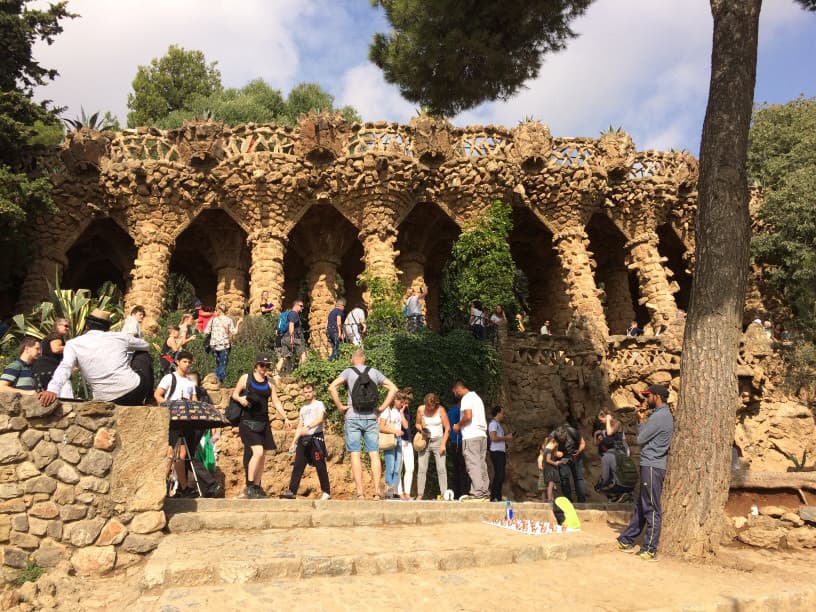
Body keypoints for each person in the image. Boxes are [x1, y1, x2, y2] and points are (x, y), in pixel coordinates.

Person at [39, 309, 153, 406]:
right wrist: (124, 347)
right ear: (107, 327)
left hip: (105, 398)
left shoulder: (73, 344)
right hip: (134, 391)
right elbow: (146, 346)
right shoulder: (119, 337)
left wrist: (52, 390)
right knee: (142, 354)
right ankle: (150, 397)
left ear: (87, 325)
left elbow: (65, 368)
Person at [328, 348, 398, 499]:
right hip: (372, 417)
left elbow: (331, 387)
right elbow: (393, 388)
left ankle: (360, 493)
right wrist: (381, 408)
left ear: (353, 360)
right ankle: (377, 492)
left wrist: (340, 407)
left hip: (352, 416)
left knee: (355, 453)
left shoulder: (348, 372)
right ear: (364, 359)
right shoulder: (374, 372)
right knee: (373, 453)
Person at [617, 384, 674, 561]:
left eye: (647, 396)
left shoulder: (661, 417)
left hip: (652, 466)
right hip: (649, 465)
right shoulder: (659, 415)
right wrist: (642, 419)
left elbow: (640, 439)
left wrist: (641, 421)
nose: (645, 400)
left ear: (656, 397)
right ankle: (627, 539)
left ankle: (650, 548)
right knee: (642, 505)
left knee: (651, 507)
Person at [231, 353, 291, 499]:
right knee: (257, 452)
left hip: (263, 422)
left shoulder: (270, 383)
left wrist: (285, 417)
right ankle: (249, 486)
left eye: (267, 366)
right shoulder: (246, 378)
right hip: (247, 421)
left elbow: (276, 402)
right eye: (262, 365)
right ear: (256, 366)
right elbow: (234, 394)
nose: (264, 368)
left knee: (262, 455)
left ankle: (257, 487)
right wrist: (241, 399)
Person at [155, 350, 198, 497]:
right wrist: (168, 407)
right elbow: (157, 394)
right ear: (178, 362)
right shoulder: (169, 378)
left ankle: (162, 486)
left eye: (189, 362)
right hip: (171, 420)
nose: (186, 364)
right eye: (184, 361)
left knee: (172, 454)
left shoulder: (190, 383)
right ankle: (183, 487)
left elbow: (194, 401)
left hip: (185, 421)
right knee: (177, 453)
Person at [281, 384, 330, 500]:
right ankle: (292, 491)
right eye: (306, 392)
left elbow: (320, 419)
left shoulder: (319, 404)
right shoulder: (303, 409)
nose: (308, 394)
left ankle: (326, 492)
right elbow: (299, 426)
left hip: (316, 439)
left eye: (310, 391)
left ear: (314, 392)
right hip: (303, 440)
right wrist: (294, 442)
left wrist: (308, 427)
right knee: (298, 465)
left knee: (320, 465)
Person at [451, 380, 489, 501]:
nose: (454, 394)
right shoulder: (477, 398)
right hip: (482, 435)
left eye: (454, 392)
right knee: (481, 463)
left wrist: (458, 425)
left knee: (473, 464)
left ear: (457, 389)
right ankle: (484, 491)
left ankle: (478, 493)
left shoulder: (466, 398)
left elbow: (468, 416)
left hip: (471, 435)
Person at [415, 393, 450, 500]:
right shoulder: (421, 409)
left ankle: (444, 494)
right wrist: (422, 430)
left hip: (438, 441)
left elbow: (447, 428)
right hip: (425, 441)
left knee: (441, 468)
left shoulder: (441, 410)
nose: (430, 409)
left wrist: (443, 444)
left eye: (432, 406)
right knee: (421, 468)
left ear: (436, 404)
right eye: (428, 406)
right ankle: (420, 494)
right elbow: (417, 423)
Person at [31, 318, 73, 398]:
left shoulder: (46, 338)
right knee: (66, 400)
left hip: (41, 372)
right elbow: (56, 349)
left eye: (69, 327)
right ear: (58, 325)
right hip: (53, 372)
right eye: (66, 326)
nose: (68, 329)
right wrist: (72, 346)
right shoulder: (56, 336)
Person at [379, 392, 407, 499]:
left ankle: (393, 490)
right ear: (394, 400)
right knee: (390, 467)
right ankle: (389, 492)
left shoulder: (397, 411)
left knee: (397, 468)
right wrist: (395, 431)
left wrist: (401, 412)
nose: (402, 403)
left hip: (398, 440)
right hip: (390, 439)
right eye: (400, 401)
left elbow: (405, 426)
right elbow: (380, 427)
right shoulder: (387, 410)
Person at [552, 424, 587, 503]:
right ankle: (568, 500)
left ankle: (581, 499)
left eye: (564, 440)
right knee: (564, 478)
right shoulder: (553, 435)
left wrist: (578, 451)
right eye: (560, 441)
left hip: (575, 456)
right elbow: (548, 448)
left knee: (578, 478)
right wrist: (555, 453)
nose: (562, 442)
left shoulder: (572, 432)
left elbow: (583, 443)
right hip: (563, 458)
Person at [594, 437, 635, 503]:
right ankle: (625, 495)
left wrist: (599, 484)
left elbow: (605, 477)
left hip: (620, 486)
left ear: (603, 447)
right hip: (632, 485)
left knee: (598, 487)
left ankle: (617, 495)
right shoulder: (622, 452)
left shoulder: (606, 457)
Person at [205, 304, 237, 383]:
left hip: (214, 345)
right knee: (223, 364)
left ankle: (215, 379)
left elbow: (206, 331)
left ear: (219, 310)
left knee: (218, 364)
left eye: (216, 310)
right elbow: (234, 332)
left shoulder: (212, 320)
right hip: (224, 345)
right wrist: (239, 323)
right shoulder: (229, 320)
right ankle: (219, 381)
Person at [488, 406, 512, 502]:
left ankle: (497, 496)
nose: (503, 415)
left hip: (500, 451)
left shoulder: (498, 424)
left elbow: (497, 438)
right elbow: (493, 438)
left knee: (501, 475)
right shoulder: (493, 424)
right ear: (497, 413)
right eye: (502, 413)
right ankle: (494, 497)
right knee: (499, 475)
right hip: (496, 452)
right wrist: (506, 437)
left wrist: (504, 444)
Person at [447, 402, 471, 499]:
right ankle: (464, 492)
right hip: (460, 442)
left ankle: (456, 493)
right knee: (463, 469)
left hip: (453, 442)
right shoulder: (460, 411)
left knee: (456, 469)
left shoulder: (449, 412)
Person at [276, 300, 306, 374]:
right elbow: (291, 325)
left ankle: (276, 373)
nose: (302, 308)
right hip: (293, 338)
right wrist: (292, 337)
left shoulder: (289, 314)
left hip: (284, 338)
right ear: (296, 305)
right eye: (301, 306)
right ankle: (301, 374)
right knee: (303, 354)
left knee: (285, 357)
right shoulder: (294, 314)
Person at [395, 388, 415, 500]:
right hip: (399, 441)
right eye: (405, 403)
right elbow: (405, 425)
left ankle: (407, 492)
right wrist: (401, 412)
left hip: (408, 441)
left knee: (410, 468)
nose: (406, 405)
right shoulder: (396, 411)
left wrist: (404, 411)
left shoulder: (406, 410)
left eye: (408, 404)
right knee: (399, 468)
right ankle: (400, 493)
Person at [538, 438, 561, 502]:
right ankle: (550, 499)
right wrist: (555, 463)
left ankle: (552, 499)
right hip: (550, 469)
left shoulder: (546, 450)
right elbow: (548, 460)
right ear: (553, 442)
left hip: (548, 469)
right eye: (556, 444)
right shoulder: (549, 450)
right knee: (550, 485)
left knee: (551, 485)